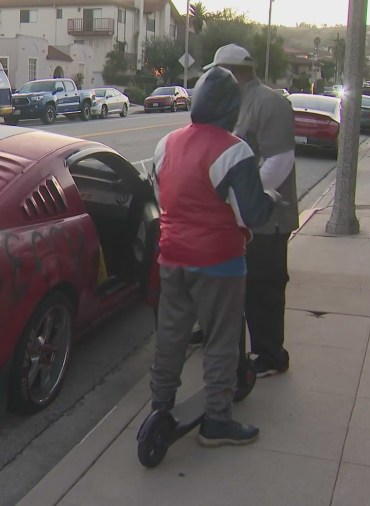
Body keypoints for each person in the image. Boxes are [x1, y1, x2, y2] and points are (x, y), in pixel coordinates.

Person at [148, 66, 279, 447]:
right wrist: (270, 198)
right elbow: (253, 214)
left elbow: (163, 197)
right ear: (231, 108)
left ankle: (161, 406)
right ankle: (217, 420)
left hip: (171, 256)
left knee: (171, 336)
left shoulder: (166, 143)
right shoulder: (234, 150)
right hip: (219, 262)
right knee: (221, 341)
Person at [204, 44, 298, 378]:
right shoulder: (236, 103)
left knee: (265, 287)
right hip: (238, 218)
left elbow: (280, 160)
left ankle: (272, 354)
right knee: (236, 285)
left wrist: (246, 198)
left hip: (266, 219)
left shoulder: (270, 103)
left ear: (235, 72)